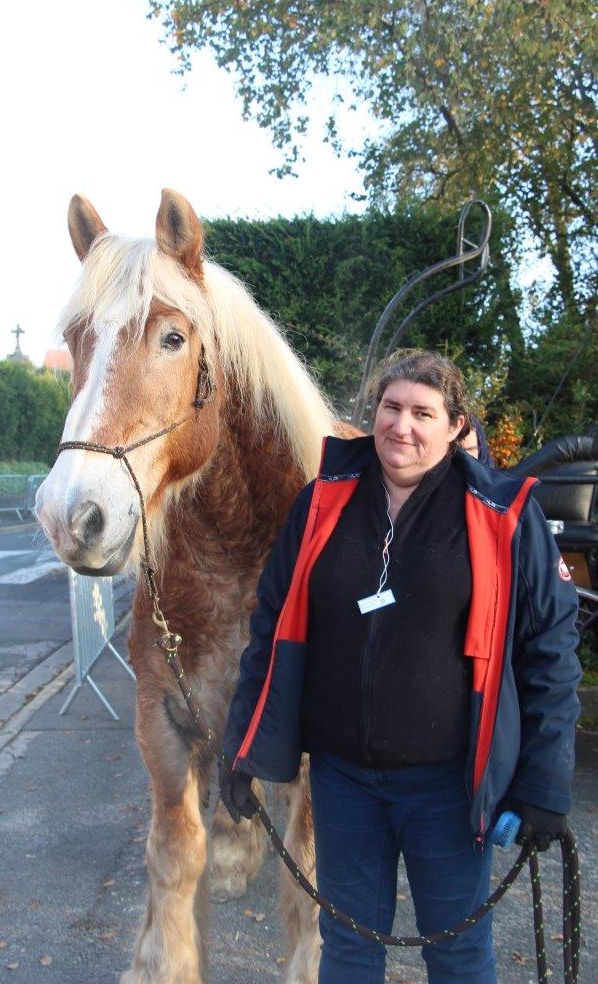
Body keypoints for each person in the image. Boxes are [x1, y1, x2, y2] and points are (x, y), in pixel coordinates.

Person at [219, 349, 580, 984]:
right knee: (349, 947)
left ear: (455, 426)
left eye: (423, 412)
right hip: (344, 784)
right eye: (391, 407)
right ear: (373, 412)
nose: (402, 426)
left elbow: (550, 650)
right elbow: (271, 628)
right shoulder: (322, 503)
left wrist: (543, 783)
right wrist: (243, 746)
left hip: (446, 785)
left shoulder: (501, 515)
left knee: (459, 953)